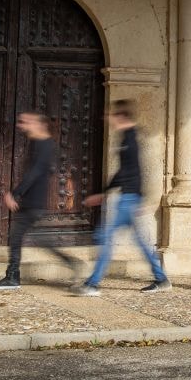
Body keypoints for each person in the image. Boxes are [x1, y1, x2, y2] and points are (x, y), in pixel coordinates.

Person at [70, 99, 169, 296]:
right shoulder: (127, 137)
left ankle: (93, 283)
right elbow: (127, 171)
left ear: (121, 117)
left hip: (128, 200)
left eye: (111, 116)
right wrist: (107, 193)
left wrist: (107, 193)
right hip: (130, 198)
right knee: (138, 242)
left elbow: (129, 172)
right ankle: (161, 278)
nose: (108, 120)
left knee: (105, 237)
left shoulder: (130, 140)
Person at [0, 110, 81, 290]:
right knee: (37, 239)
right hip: (32, 200)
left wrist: (15, 194)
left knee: (16, 238)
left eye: (26, 122)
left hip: (34, 200)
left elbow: (36, 171)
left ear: (39, 124)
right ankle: (69, 262)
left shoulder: (45, 145)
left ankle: (13, 277)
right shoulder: (38, 143)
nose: (21, 125)